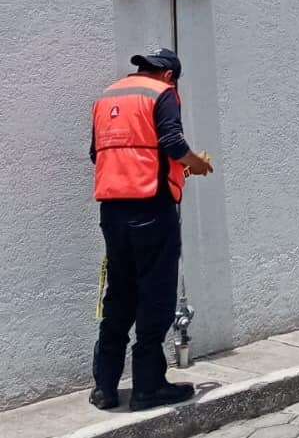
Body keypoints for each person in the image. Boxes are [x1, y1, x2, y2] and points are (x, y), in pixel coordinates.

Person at [89, 48, 213, 412]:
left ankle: (105, 388)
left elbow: (100, 154)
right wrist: (196, 165)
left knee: (119, 297)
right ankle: (147, 387)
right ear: (171, 76)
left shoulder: (107, 98)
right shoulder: (162, 94)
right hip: (151, 211)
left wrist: (169, 171)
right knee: (154, 299)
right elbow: (173, 145)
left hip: (112, 212)